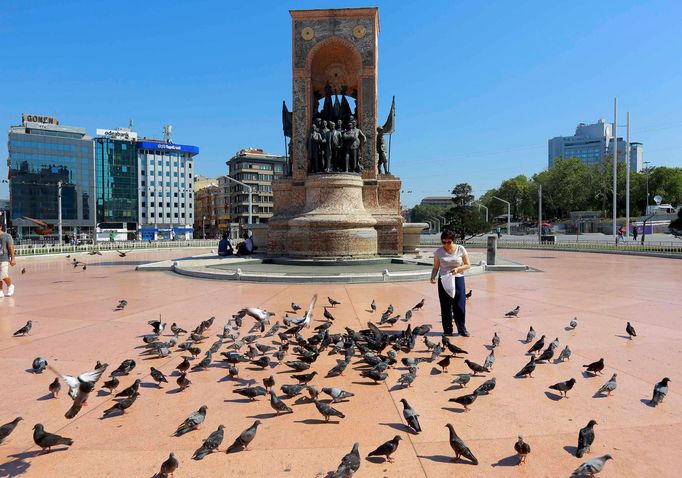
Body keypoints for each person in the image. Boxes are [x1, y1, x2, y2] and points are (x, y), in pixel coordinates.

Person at [430, 229, 471, 337]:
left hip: (458, 279)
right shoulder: (439, 252)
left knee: (460, 305)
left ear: (453, 240)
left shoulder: (460, 249)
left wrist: (458, 269)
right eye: (444, 242)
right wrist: (432, 277)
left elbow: (467, 265)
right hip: (444, 279)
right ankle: (447, 329)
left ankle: (462, 329)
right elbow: (435, 267)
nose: (446, 244)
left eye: (449, 242)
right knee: (445, 306)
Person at [0, 224, 16, 298]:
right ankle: (0, 291)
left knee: (3, 274)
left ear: (0, 227)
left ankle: (10, 286)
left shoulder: (7, 236)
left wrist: (13, 258)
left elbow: (10, 247)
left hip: (4, 258)